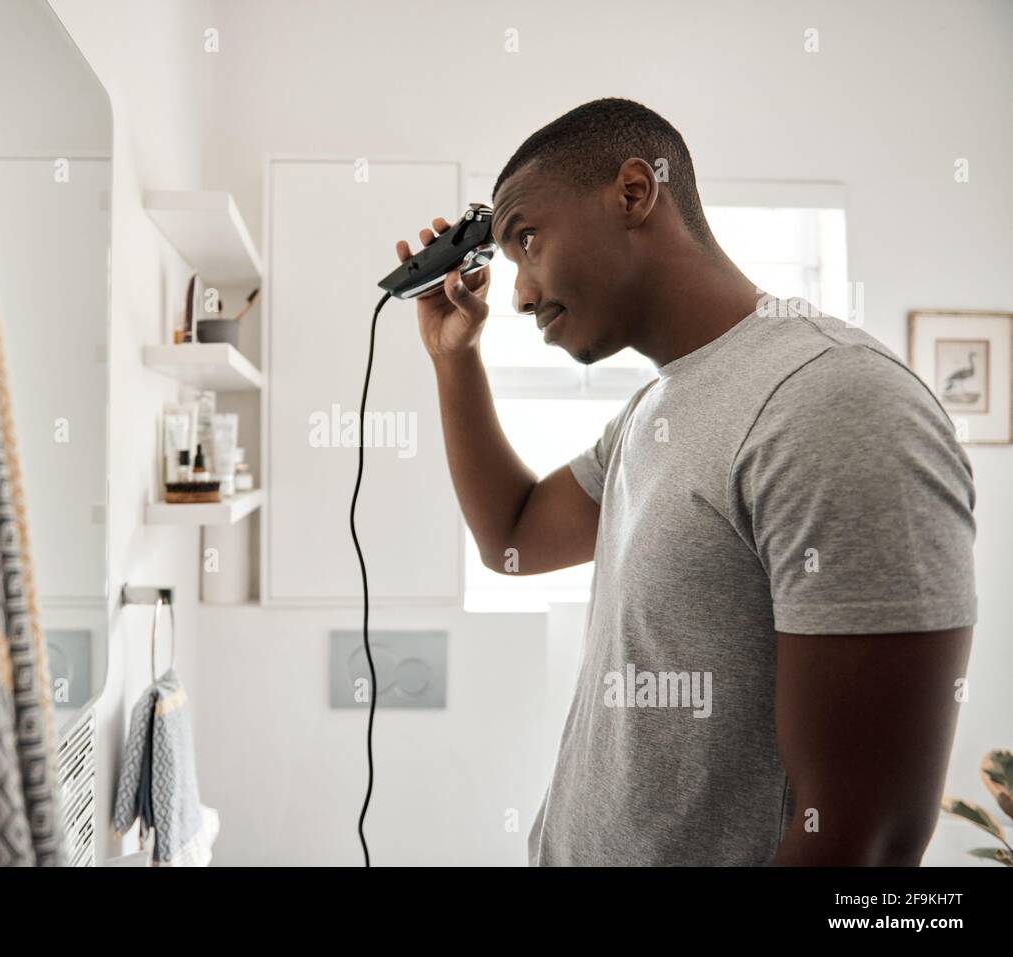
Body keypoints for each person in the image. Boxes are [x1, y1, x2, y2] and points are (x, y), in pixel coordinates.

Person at [396, 97, 977, 866]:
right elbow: (513, 539)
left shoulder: (835, 403)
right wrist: (454, 357)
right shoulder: (656, 406)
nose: (522, 294)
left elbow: (861, 843)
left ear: (635, 192)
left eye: (527, 240)